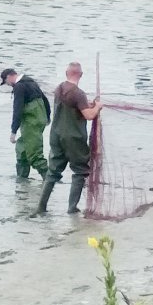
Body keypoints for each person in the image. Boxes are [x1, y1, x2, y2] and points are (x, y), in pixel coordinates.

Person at [36, 62, 102, 215]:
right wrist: (97, 107)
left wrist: (89, 104)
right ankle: (72, 208)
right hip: (74, 139)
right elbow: (89, 115)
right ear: (81, 75)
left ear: (66, 73)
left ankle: (41, 207)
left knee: (52, 172)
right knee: (79, 171)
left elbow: (74, 106)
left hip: (56, 136)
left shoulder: (59, 89)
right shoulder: (78, 93)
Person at [1, 68, 51, 180]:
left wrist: (13, 131)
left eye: (6, 82)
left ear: (9, 77)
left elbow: (17, 109)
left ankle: (50, 181)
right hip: (40, 120)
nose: (8, 85)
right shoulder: (31, 81)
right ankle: (22, 182)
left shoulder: (19, 87)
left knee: (34, 154)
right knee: (21, 149)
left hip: (31, 123)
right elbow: (45, 99)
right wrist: (48, 117)